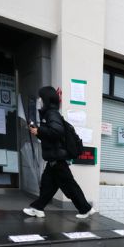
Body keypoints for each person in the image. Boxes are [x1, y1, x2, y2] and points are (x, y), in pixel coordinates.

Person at [23, 86, 98, 219]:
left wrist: (39, 131)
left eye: (41, 97)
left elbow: (57, 132)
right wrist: (38, 132)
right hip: (54, 158)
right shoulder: (50, 114)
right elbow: (51, 137)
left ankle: (85, 208)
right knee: (48, 186)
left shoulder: (52, 114)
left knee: (70, 186)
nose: (39, 100)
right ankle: (38, 208)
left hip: (57, 159)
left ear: (46, 98)